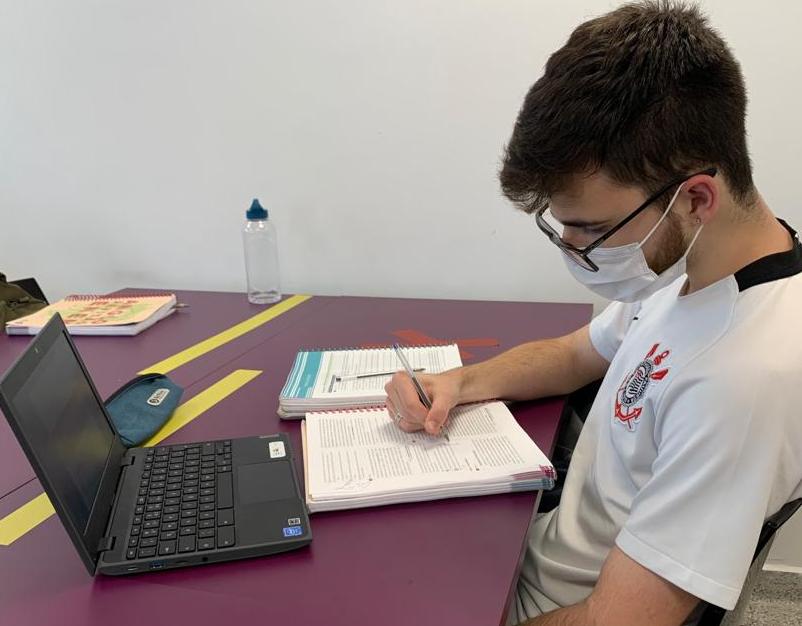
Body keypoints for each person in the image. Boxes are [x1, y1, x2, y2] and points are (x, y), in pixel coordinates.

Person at [384, 2, 802, 625]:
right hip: (528, 554)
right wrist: (457, 383)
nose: (576, 250)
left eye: (591, 229)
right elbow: (574, 355)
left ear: (695, 198)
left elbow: (617, 621)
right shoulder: (684, 264)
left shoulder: (749, 379)